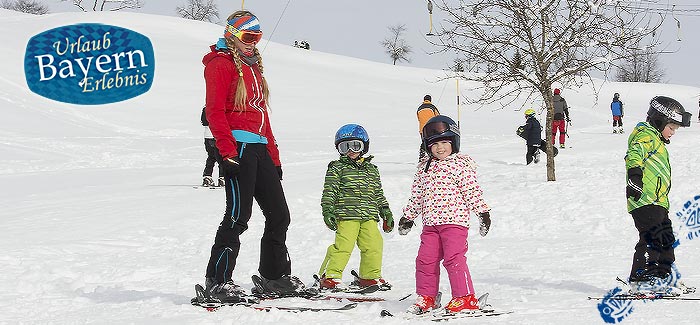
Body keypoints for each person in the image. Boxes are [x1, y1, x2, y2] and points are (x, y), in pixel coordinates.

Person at [201, 10, 307, 302]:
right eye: (248, 37)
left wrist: (275, 158)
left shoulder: (254, 67)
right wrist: (227, 152)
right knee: (238, 217)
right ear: (232, 35)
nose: (253, 43)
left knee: (280, 215)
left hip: (260, 149)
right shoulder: (220, 65)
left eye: (257, 38)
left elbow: (263, 117)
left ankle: (273, 276)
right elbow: (215, 112)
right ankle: (218, 282)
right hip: (239, 148)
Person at [398, 115, 492, 315]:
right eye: (435, 144)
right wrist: (408, 217)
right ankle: (427, 297)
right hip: (431, 225)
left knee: (454, 259)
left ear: (453, 142)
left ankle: (465, 297)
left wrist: (482, 212)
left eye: (444, 143)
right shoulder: (424, 168)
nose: (440, 148)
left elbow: (472, 191)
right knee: (425, 260)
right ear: (428, 146)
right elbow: (417, 196)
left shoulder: (460, 165)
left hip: (454, 223)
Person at [625, 96, 692, 295]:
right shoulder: (645, 135)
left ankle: (663, 276)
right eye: (671, 128)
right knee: (651, 238)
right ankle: (640, 278)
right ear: (660, 120)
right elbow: (634, 154)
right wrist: (635, 176)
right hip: (643, 199)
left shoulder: (659, 142)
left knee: (666, 239)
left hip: (658, 201)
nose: (672, 133)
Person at [317, 124, 393, 291]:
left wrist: (385, 211)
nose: (351, 150)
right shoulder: (337, 167)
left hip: (369, 215)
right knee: (343, 246)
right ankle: (330, 275)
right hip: (346, 214)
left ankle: (369, 276)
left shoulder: (372, 169)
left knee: (374, 245)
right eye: (345, 147)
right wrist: (328, 210)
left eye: (356, 145)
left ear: (364, 146)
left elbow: (378, 193)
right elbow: (330, 191)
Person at [200, 106, 224, 187]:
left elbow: (203, 121)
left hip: (208, 136)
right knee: (221, 158)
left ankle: (207, 176)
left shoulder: (206, 108)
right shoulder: (220, 106)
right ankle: (222, 177)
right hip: (218, 135)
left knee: (211, 157)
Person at [416, 95, 440, 160]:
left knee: (424, 142)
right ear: (430, 100)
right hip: (431, 127)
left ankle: (422, 155)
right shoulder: (432, 107)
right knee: (434, 141)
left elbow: (418, 118)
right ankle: (433, 155)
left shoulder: (419, 108)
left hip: (422, 129)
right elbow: (438, 117)